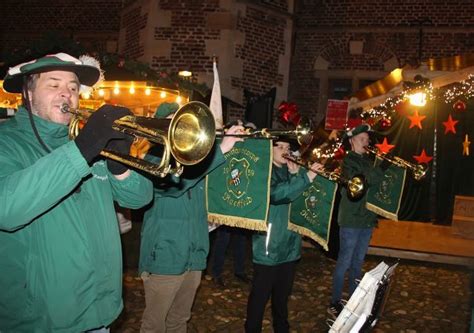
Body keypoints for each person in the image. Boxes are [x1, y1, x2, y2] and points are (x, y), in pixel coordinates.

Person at [0, 53, 153, 332]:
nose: (66, 94)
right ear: (28, 93)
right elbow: (7, 209)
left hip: (99, 312)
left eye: (72, 87)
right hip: (42, 320)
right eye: (54, 85)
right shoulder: (6, 142)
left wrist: (120, 167)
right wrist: (83, 149)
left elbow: (140, 198)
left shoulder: (82, 143)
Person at [139, 103, 244, 333]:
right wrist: (220, 150)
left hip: (195, 256)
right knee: (154, 325)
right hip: (165, 257)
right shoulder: (153, 157)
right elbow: (176, 185)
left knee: (179, 320)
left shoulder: (196, 160)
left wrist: (233, 141)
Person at [244, 140, 322, 333]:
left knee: (282, 296)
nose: (285, 151)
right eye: (280, 147)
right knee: (260, 296)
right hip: (268, 245)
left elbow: (304, 198)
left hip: (290, 245)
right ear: (268, 150)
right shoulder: (262, 171)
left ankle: (282, 328)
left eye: (287, 148)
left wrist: (298, 174)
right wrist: (305, 178)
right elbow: (277, 194)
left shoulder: (291, 170)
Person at [327, 124, 385, 319]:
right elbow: (362, 180)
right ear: (352, 141)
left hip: (367, 219)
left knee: (358, 263)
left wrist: (376, 169)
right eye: (362, 138)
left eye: (367, 139)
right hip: (351, 219)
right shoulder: (348, 161)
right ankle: (334, 301)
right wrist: (375, 170)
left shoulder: (368, 161)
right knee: (344, 262)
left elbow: (377, 179)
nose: (366, 141)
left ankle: (353, 299)